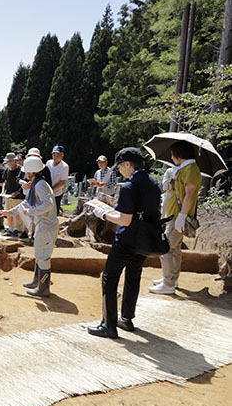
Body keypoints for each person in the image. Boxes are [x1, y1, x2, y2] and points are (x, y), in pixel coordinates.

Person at [87, 147, 160, 338]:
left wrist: (103, 213)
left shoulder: (129, 187)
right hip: (144, 240)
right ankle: (126, 319)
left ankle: (108, 325)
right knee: (133, 278)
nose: (118, 170)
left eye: (119, 166)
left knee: (109, 278)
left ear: (128, 164)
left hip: (126, 240)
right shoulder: (153, 184)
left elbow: (125, 219)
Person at [0, 157, 58, 297]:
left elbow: (47, 204)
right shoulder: (36, 184)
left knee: (43, 257)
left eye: (26, 172)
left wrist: (31, 213)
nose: (24, 174)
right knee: (39, 255)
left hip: (46, 226)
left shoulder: (40, 185)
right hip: (42, 225)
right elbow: (26, 204)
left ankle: (43, 288)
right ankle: (37, 281)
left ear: (31, 172)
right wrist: (9, 212)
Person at [149, 141, 201, 295]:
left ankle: (168, 283)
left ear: (180, 155)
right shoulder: (182, 169)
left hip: (178, 215)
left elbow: (190, 194)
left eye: (172, 154)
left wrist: (182, 216)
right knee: (175, 249)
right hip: (174, 214)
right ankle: (172, 278)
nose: (171, 157)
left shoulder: (190, 169)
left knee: (165, 247)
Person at [2, 152, 23, 237]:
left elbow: (24, 184)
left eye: (11, 161)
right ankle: (10, 229)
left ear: (15, 161)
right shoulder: (7, 170)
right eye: (8, 161)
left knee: (16, 213)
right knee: (8, 212)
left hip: (17, 196)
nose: (9, 163)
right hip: (8, 195)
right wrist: (3, 191)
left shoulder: (20, 170)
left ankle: (16, 229)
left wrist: (17, 192)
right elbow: (5, 182)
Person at [45, 145, 69, 215]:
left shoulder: (64, 166)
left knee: (54, 213)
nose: (55, 157)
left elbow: (62, 182)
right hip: (46, 192)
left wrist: (51, 190)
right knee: (45, 211)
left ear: (62, 155)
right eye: (53, 154)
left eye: (57, 155)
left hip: (56, 193)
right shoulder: (48, 163)